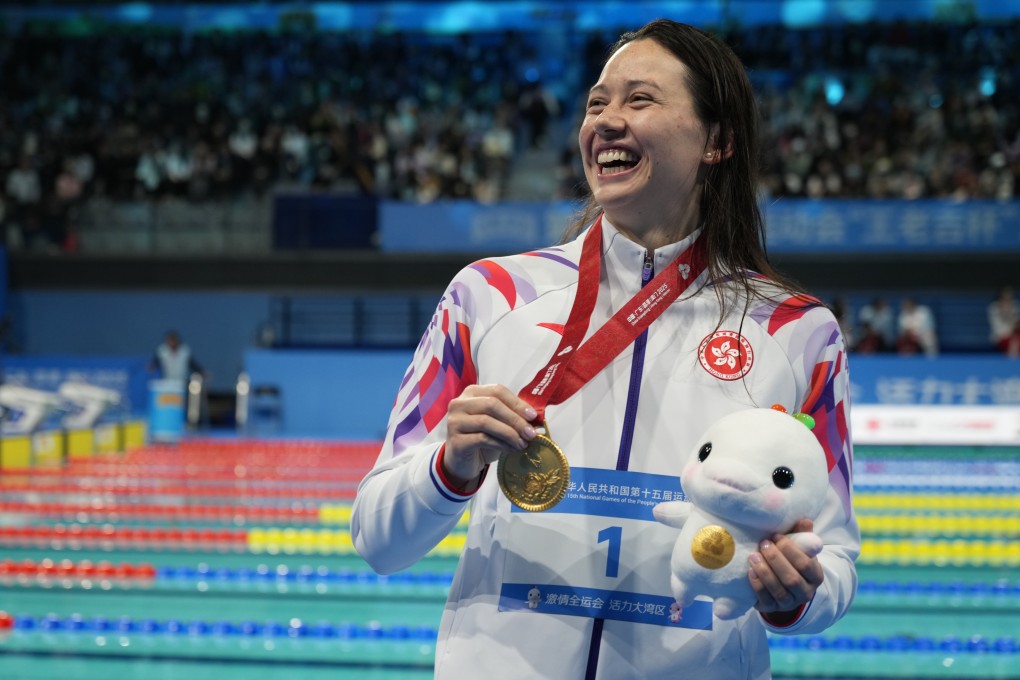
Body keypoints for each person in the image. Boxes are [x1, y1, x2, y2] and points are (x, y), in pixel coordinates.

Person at [352, 20, 858, 680]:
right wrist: (450, 465)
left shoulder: (797, 331)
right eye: (597, 103)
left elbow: (837, 557)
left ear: (718, 139)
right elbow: (377, 540)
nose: (607, 122)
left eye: (640, 100)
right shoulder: (490, 295)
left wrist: (798, 592)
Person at [987, 285, 1020, 357]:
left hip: (1014, 337)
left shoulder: (1015, 307)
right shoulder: (994, 308)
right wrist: (1006, 315)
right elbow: (998, 331)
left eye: (1010, 298)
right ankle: (1012, 360)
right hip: (1000, 337)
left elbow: (1017, 325)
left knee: (1016, 339)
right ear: (1000, 298)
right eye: (1005, 298)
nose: (1007, 300)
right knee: (1015, 340)